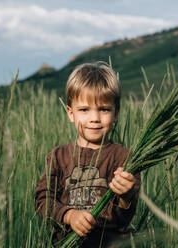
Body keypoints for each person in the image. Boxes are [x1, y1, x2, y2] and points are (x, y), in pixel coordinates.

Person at [35, 62, 140, 247]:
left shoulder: (124, 158)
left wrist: (127, 196)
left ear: (116, 113)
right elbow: (43, 201)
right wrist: (69, 215)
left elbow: (124, 219)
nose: (94, 118)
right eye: (84, 109)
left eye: (104, 109)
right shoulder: (57, 156)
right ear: (71, 113)